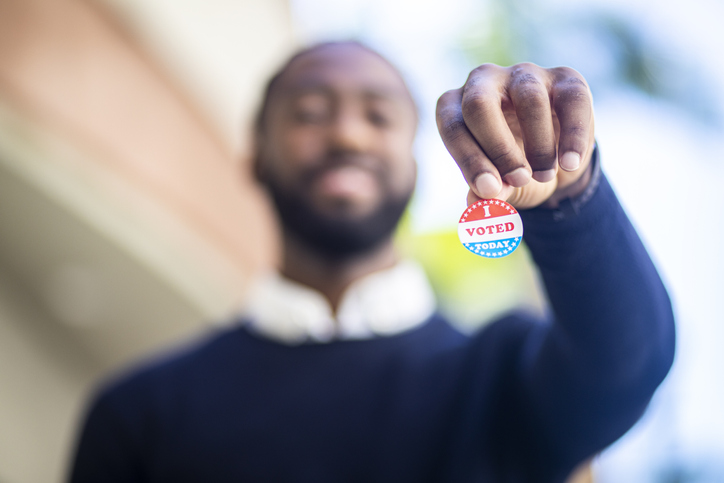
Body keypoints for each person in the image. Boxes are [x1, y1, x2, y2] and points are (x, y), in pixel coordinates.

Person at [68, 41, 675, 482]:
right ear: (254, 158)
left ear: (414, 166)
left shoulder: (500, 377)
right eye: (309, 113)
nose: (349, 137)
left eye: (379, 116)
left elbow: (628, 363)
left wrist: (570, 196)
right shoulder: (139, 413)